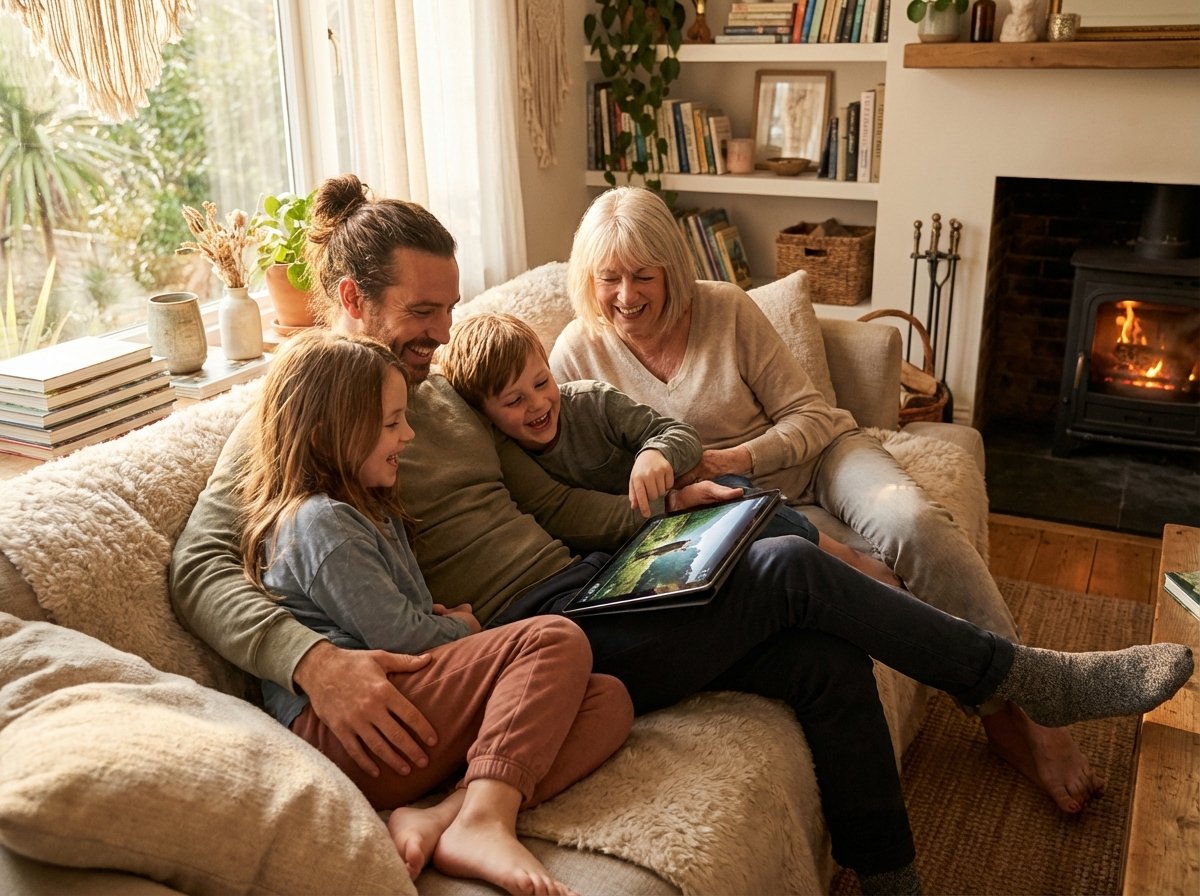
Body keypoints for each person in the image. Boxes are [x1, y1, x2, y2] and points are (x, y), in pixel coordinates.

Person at [170, 174, 1192, 896]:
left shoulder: (437, 389)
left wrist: (658, 491)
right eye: (424, 313)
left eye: (448, 311)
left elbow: (554, 466)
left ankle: (893, 876)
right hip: (529, 634)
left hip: (585, 580)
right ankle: (1019, 678)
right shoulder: (301, 408)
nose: (444, 334)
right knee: (791, 566)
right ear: (350, 299)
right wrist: (308, 659)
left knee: (820, 651)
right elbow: (203, 563)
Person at [549, 185, 1105, 816]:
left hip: (824, 460)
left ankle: (1039, 712)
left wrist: (736, 457)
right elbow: (582, 478)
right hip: (733, 508)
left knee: (914, 522)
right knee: (810, 575)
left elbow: (810, 414)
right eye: (609, 278)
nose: (626, 296)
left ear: (672, 269)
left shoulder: (725, 309)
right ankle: (1001, 716)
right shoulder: (574, 355)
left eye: (643, 276)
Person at [236, 327, 632, 896]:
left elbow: (405, 620)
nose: (409, 434)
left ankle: (444, 815)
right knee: (554, 639)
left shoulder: (370, 509)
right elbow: (406, 639)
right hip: (352, 731)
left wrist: (439, 629)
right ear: (327, 436)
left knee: (606, 701)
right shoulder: (319, 522)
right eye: (392, 423)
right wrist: (462, 628)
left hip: (403, 719)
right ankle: (485, 822)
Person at [437, 310, 901, 587]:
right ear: (485, 415)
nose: (538, 404)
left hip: (681, 506)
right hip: (623, 542)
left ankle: (851, 562)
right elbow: (570, 516)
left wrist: (653, 454)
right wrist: (664, 505)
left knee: (735, 497)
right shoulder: (508, 458)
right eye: (514, 401)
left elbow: (679, 434)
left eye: (542, 382)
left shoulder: (591, 401)